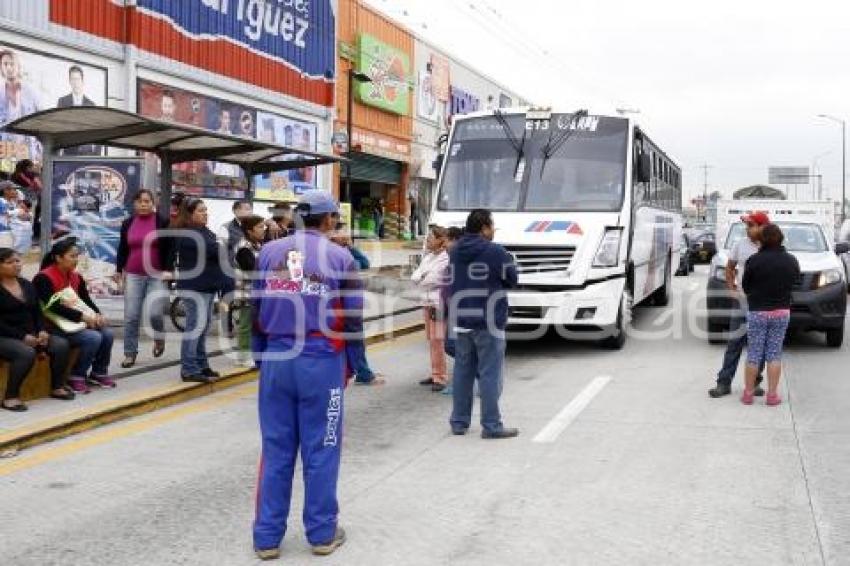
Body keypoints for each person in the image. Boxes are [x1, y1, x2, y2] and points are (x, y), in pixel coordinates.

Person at [252, 190, 363, 559]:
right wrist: (357, 365)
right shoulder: (341, 257)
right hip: (321, 360)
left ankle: (266, 538)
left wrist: (259, 358)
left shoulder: (268, 253)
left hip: (277, 358)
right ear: (329, 219)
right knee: (322, 448)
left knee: (276, 450)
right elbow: (353, 319)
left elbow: (253, 308)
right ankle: (321, 533)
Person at [447, 209, 519, 439]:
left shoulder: (455, 250)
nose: (493, 231)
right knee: (489, 374)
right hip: (488, 321)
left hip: (461, 320)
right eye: (492, 226)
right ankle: (491, 425)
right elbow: (512, 279)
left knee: (462, 373)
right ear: (484, 227)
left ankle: (459, 422)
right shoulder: (495, 252)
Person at [34, 238, 115, 394]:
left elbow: (86, 300)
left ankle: (98, 372)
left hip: (77, 323)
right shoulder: (43, 278)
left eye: (77, 256)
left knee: (108, 333)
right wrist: (83, 318)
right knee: (93, 337)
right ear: (58, 258)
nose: (76, 260)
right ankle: (76, 376)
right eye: (72, 256)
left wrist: (98, 315)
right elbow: (53, 307)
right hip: (53, 326)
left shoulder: (76, 277)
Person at [0, 248, 74, 411]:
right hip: (5, 335)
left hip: (31, 333)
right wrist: (22, 337)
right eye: (10, 262)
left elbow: (37, 312)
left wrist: (41, 330)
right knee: (25, 353)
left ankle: (57, 387)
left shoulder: (26, 284)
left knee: (60, 344)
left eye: (17, 261)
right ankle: (10, 397)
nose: (16, 265)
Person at [168, 198, 233, 383]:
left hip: (207, 287)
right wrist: (222, 246)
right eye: (201, 211)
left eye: (206, 210)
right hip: (194, 288)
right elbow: (215, 249)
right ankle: (189, 369)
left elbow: (220, 249)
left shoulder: (205, 231)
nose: (205, 213)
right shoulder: (188, 234)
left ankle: (201, 365)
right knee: (194, 328)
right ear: (190, 214)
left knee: (202, 328)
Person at [708, 212, 769, 398]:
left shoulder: (771, 247)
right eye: (747, 224)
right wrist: (731, 288)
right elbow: (730, 267)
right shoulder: (739, 244)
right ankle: (724, 383)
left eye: (751, 225)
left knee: (758, 346)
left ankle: (754, 382)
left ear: (762, 228)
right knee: (734, 343)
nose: (747, 228)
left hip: (763, 305)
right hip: (742, 302)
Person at [741, 224, 799, 406]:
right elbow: (795, 283)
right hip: (781, 311)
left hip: (758, 311)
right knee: (774, 354)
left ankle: (748, 394)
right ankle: (772, 396)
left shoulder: (753, 260)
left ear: (762, 239)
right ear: (781, 238)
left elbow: (746, 286)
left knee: (754, 354)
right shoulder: (791, 260)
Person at [115, 189, 172, 368]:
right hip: (133, 274)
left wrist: (169, 270)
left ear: (153, 203)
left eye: (147, 201)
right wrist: (118, 269)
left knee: (155, 313)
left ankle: (159, 338)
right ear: (134, 204)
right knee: (131, 316)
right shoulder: (128, 223)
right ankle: (130, 353)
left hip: (157, 275)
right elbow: (123, 248)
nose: (144, 204)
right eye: (140, 201)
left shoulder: (162, 221)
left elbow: (171, 248)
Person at [330, 225, 384, 386]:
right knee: (354, 338)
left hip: (351, 300)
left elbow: (365, 263)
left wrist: (352, 247)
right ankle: (363, 373)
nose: (347, 235)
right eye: (343, 231)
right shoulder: (332, 253)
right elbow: (355, 267)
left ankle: (358, 371)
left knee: (353, 338)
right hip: (343, 302)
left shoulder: (345, 250)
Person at [412, 225, 450, 392]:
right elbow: (415, 276)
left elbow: (432, 279)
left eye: (430, 237)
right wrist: (422, 277)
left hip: (438, 304)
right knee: (431, 340)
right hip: (427, 302)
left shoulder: (445, 257)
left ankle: (440, 377)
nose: (427, 240)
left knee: (438, 341)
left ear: (440, 240)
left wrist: (422, 277)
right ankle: (435, 372)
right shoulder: (428, 257)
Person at [233, 214, 266, 367]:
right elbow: (252, 269)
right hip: (246, 292)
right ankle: (243, 355)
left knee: (255, 324)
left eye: (263, 226)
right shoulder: (244, 248)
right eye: (259, 227)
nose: (263, 229)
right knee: (246, 324)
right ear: (249, 230)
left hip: (257, 292)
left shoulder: (258, 245)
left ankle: (253, 352)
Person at [11, 160, 42, 240]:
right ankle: (30, 236)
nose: (33, 168)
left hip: (18, 200)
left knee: (19, 218)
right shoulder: (31, 175)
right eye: (32, 166)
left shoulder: (14, 176)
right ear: (28, 167)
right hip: (30, 200)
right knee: (30, 219)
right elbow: (39, 186)